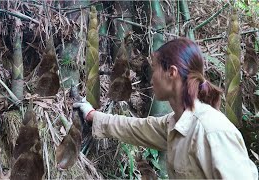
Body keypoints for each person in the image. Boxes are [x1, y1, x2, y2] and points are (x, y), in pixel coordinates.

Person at [73, 38, 258, 179]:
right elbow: (134, 128)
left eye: (154, 69)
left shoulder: (211, 130)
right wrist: (92, 116)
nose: (151, 78)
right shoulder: (174, 124)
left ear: (172, 73)